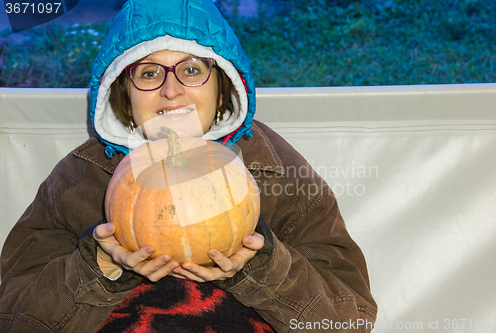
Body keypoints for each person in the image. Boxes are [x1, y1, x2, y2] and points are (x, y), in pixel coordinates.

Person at [0, 0, 377, 331]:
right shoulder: (78, 180)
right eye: (149, 73)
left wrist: (264, 268)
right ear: (122, 91)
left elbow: (351, 319)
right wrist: (97, 267)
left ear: (222, 80)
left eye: (192, 69)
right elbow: (13, 318)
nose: (171, 90)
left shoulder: (277, 173)